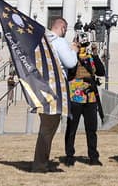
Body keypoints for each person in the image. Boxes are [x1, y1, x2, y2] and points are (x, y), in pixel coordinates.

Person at [32, 16, 78, 173]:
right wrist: (74, 51)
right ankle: (40, 165)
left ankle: (41, 162)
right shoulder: (59, 41)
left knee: (46, 126)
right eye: (66, 29)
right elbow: (70, 62)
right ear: (62, 28)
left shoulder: (41, 41)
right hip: (55, 88)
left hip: (42, 87)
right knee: (48, 127)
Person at [63, 36, 106, 167]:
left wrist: (95, 55)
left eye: (84, 45)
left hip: (90, 97)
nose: (83, 47)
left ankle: (93, 156)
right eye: (81, 44)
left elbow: (101, 72)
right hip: (75, 96)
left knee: (91, 129)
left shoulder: (90, 58)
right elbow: (70, 72)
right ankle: (69, 156)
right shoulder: (71, 58)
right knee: (72, 128)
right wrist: (74, 52)